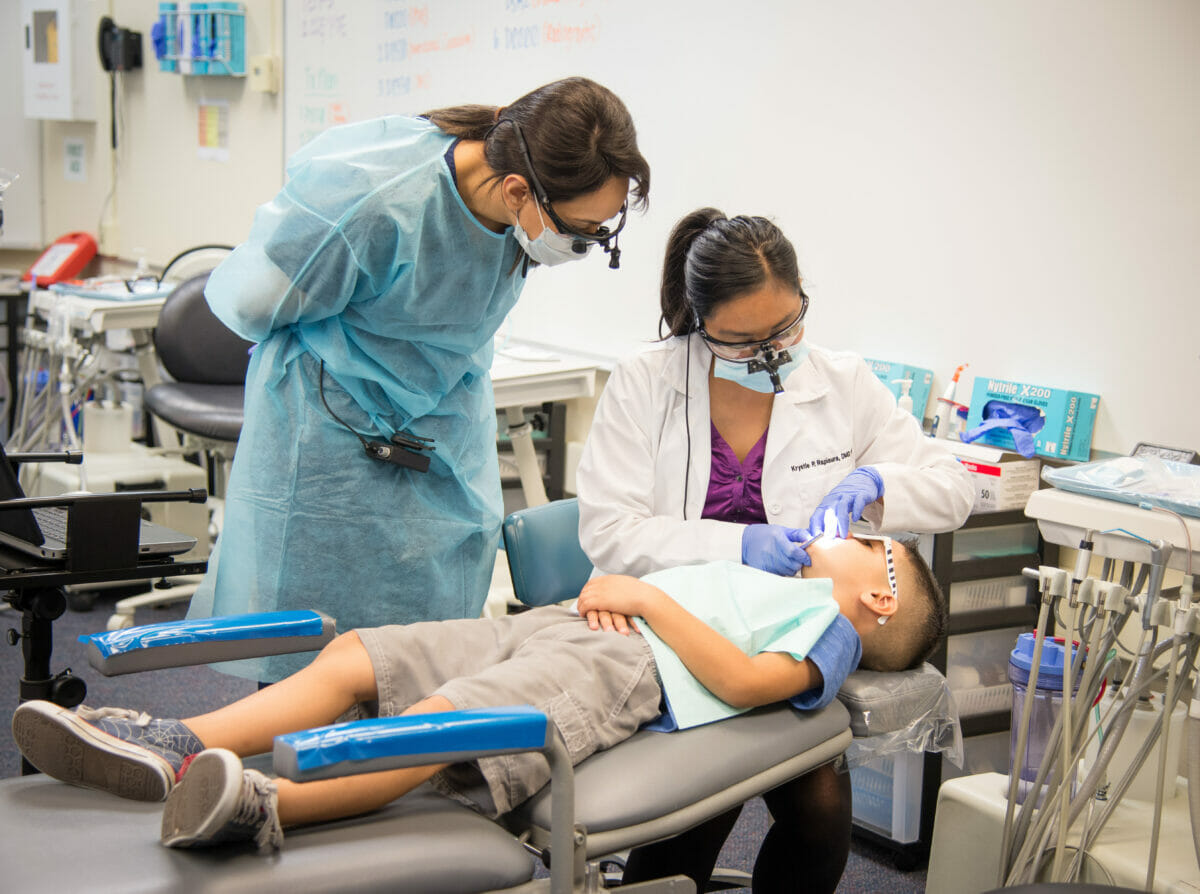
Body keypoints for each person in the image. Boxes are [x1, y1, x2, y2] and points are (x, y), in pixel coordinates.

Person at [12, 535, 944, 853]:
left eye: (871, 540)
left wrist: (647, 596)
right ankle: (176, 738)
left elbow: (745, 681)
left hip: (624, 668)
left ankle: (264, 806)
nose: (847, 533)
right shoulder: (784, 578)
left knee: (440, 729)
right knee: (368, 655)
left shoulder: (825, 628)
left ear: (879, 592)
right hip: (561, 624)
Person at [187, 77, 651, 683]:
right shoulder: (375, 197)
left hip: (444, 422)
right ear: (517, 191)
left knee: (434, 628)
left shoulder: (518, 216)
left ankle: (407, 753)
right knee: (314, 629)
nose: (586, 243)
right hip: (330, 427)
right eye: (582, 230)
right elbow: (253, 303)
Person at [573, 208, 976, 892]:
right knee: (700, 805)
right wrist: (739, 543)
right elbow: (610, 532)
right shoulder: (647, 382)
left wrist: (878, 480)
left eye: (784, 329)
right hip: (668, 631)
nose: (768, 353)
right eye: (740, 340)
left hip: (775, 642)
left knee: (822, 809)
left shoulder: (842, 383)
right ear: (698, 321)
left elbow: (956, 487)